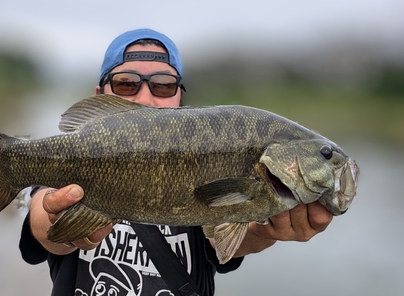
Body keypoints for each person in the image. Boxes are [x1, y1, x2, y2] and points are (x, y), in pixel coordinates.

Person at [19, 28, 333, 296]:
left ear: (180, 98)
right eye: (126, 83)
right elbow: (43, 220)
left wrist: (265, 230)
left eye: (163, 85)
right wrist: (59, 223)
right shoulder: (69, 157)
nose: (145, 98)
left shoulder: (209, 163)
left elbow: (232, 241)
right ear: (99, 95)